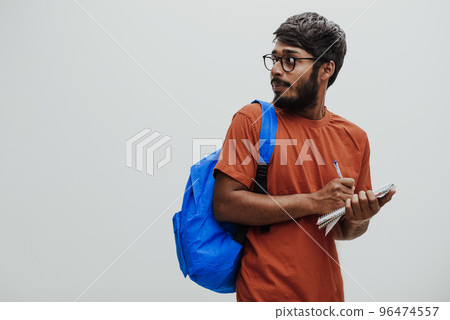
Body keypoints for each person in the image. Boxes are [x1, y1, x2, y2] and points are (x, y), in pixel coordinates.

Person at [212, 12, 396, 302]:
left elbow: (343, 230)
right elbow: (224, 204)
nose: (275, 70)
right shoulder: (252, 120)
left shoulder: (354, 138)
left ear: (326, 69)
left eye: (290, 60)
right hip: (263, 297)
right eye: (274, 59)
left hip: (329, 299)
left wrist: (361, 218)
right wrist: (314, 201)